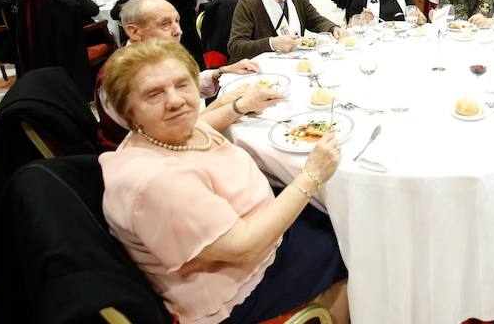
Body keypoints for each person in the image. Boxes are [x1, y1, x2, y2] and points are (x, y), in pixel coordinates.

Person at [99, 39, 349, 324]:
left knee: (336, 217)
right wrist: (312, 175)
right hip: (243, 283)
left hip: (257, 235)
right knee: (352, 244)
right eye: (153, 94)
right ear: (128, 110)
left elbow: (201, 125)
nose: (175, 100)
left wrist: (240, 106)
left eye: (182, 84)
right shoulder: (157, 182)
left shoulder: (160, 131)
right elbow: (244, 246)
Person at [96, 0, 265, 149]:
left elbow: (179, 85)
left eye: (177, 21)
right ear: (134, 31)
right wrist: (237, 106)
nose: (178, 31)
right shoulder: (119, 75)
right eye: (165, 24)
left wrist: (221, 71)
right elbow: (174, 136)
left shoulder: (159, 54)